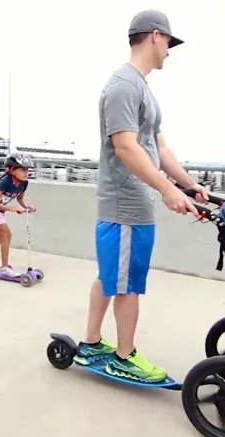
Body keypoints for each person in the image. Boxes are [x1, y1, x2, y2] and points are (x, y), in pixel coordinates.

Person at [73, 9, 210, 383]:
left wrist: (188, 184)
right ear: (154, 36)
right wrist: (166, 190)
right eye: (168, 42)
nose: (169, 50)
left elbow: (158, 147)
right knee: (127, 283)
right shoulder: (123, 86)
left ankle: (90, 342)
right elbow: (126, 148)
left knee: (110, 275)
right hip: (125, 204)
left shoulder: (143, 89)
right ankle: (124, 355)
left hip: (133, 203)